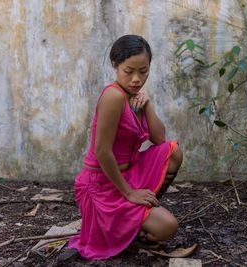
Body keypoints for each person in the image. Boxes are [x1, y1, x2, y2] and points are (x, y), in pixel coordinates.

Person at [68, 35, 183, 260]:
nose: (137, 78)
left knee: (173, 151)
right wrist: (129, 193)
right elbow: (102, 152)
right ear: (115, 65)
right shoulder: (113, 96)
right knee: (168, 227)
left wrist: (147, 103)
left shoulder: (134, 95)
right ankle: (130, 226)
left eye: (144, 71)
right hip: (102, 185)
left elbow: (159, 139)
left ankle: (141, 214)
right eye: (129, 71)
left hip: (129, 173)